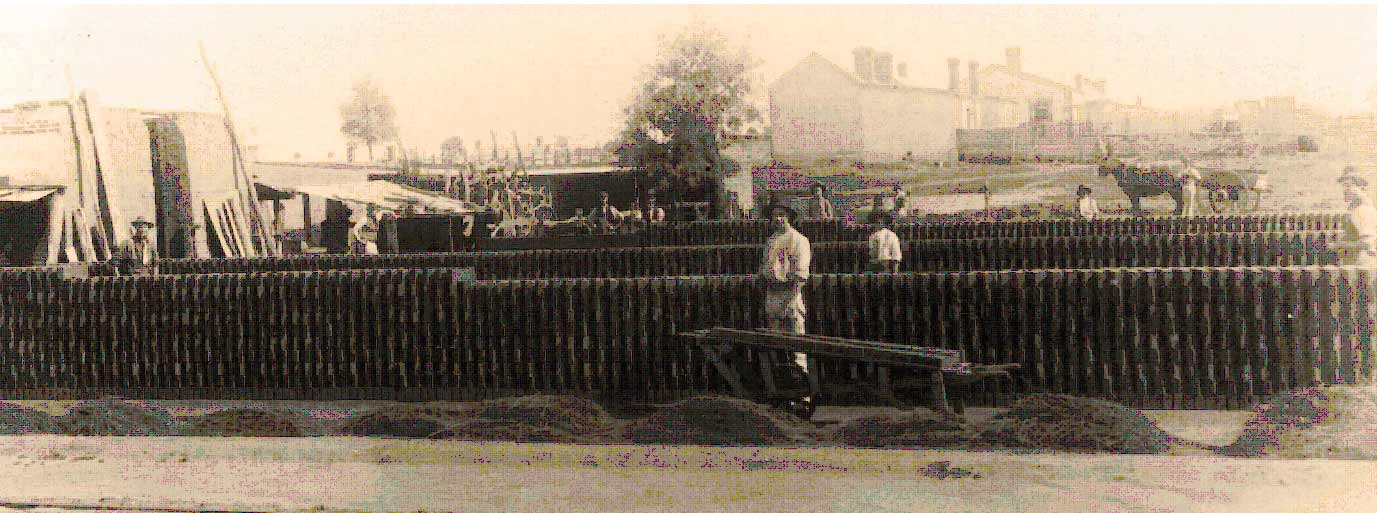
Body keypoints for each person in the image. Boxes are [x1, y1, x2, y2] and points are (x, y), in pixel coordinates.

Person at [760, 202, 815, 407]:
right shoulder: (771, 241)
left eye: (782, 215)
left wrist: (789, 302)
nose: (778, 219)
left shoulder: (799, 240)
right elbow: (765, 270)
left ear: (789, 217)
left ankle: (803, 396)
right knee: (777, 349)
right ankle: (784, 396)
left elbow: (801, 277)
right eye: (775, 216)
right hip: (773, 296)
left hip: (790, 297)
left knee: (797, 350)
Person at [1339, 166, 1377, 266]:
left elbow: (1367, 243)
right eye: (1344, 186)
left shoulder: (1362, 210)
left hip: (1363, 263)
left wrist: (1340, 245)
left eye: (1349, 186)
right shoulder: (1359, 207)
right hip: (1359, 262)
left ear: (1361, 187)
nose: (1345, 190)